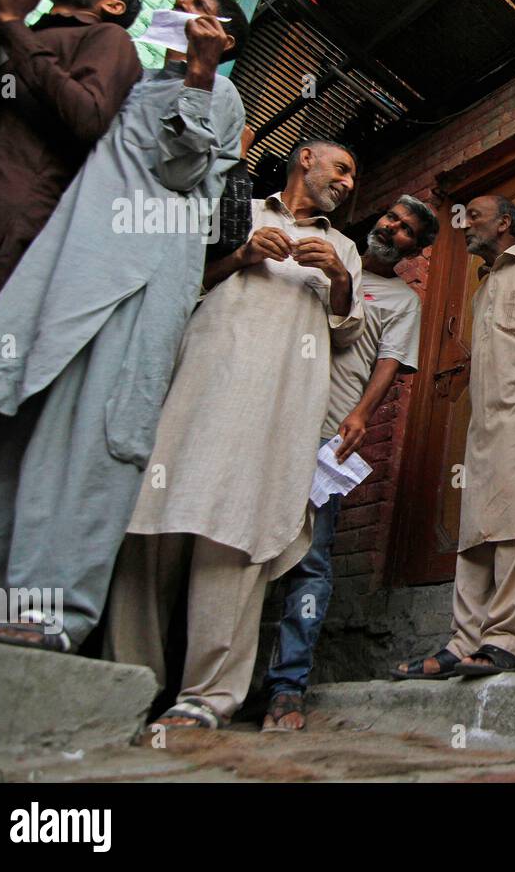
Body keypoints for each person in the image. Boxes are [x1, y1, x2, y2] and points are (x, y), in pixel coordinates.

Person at [0, 0, 247, 653]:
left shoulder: (222, 96)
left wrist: (204, 73)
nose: (187, 12)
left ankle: (49, 613)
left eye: (204, 8)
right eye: (183, 3)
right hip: (60, 275)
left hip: (132, 286)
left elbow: (183, 173)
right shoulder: (133, 82)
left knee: (89, 440)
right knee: (7, 428)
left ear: (225, 38)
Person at [105, 139, 365, 730]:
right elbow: (181, 284)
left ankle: (203, 700)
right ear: (306, 160)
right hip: (196, 392)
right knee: (153, 526)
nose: (349, 183)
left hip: (273, 412)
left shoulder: (343, 245)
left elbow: (347, 334)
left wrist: (340, 282)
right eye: (342, 169)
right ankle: (128, 687)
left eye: (353, 177)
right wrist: (243, 255)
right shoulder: (240, 208)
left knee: (241, 531)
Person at [262, 194, 437, 731]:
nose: (393, 229)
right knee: (241, 547)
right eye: (391, 218)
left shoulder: (403, 301)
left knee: (310, 562)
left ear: (415, 250)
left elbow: (389, 362)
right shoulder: (328, 253)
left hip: (326, 434)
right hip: (267, 419)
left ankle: (286, 690)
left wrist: (362, 414)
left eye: (407, 230)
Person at [392, 195, 515, 679]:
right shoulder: (480, 293)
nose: (465, 224)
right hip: (482, 426)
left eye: (473, 216)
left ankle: (507, 642)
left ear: (504, 223)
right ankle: (463, 641)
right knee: (475, 529)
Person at [0, 0, 143, 351]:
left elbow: (88, 117)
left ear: (111, 5)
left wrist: (12, 25)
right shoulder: (26, 33)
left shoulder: (109, 39)